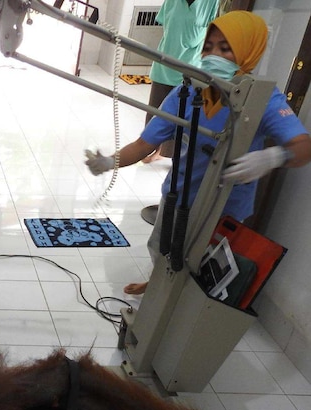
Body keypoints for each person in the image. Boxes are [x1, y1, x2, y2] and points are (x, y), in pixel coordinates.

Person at [85, 10, 311, 295]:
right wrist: (109, 161)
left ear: (247, 52)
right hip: (179, 195)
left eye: (225, 48)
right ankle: (157, 283)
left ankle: (178, 303)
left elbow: (303, 146)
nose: (212, 55)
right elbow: (145, 144)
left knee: (203, 268)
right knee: (162, 249)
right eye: (208, 47)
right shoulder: (186, 93)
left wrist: (273, 157)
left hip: (226, 206)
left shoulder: (264, 101)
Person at [143, 0, 219, 164]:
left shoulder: (211, 2)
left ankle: (175, 156)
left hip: (190, 69)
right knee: (155, 112)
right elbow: (166, 27)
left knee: (182, 119)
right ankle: (155, 149)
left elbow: (213, 33)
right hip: (164, 64)